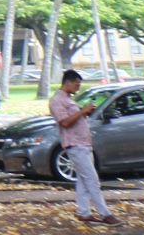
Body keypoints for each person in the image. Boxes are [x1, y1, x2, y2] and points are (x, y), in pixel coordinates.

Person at [50, 70, 116, 224]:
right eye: (76, 84)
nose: (77, 88)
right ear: (68, 82)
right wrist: (82, 111)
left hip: (83, 143)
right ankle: (104, 213)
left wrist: (83, 112)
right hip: (75, 144)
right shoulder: (56, 101)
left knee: (83, 180)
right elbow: (64, 122)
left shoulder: (68, 99)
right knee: (92, 180)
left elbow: (73, 117)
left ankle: (83, 212)